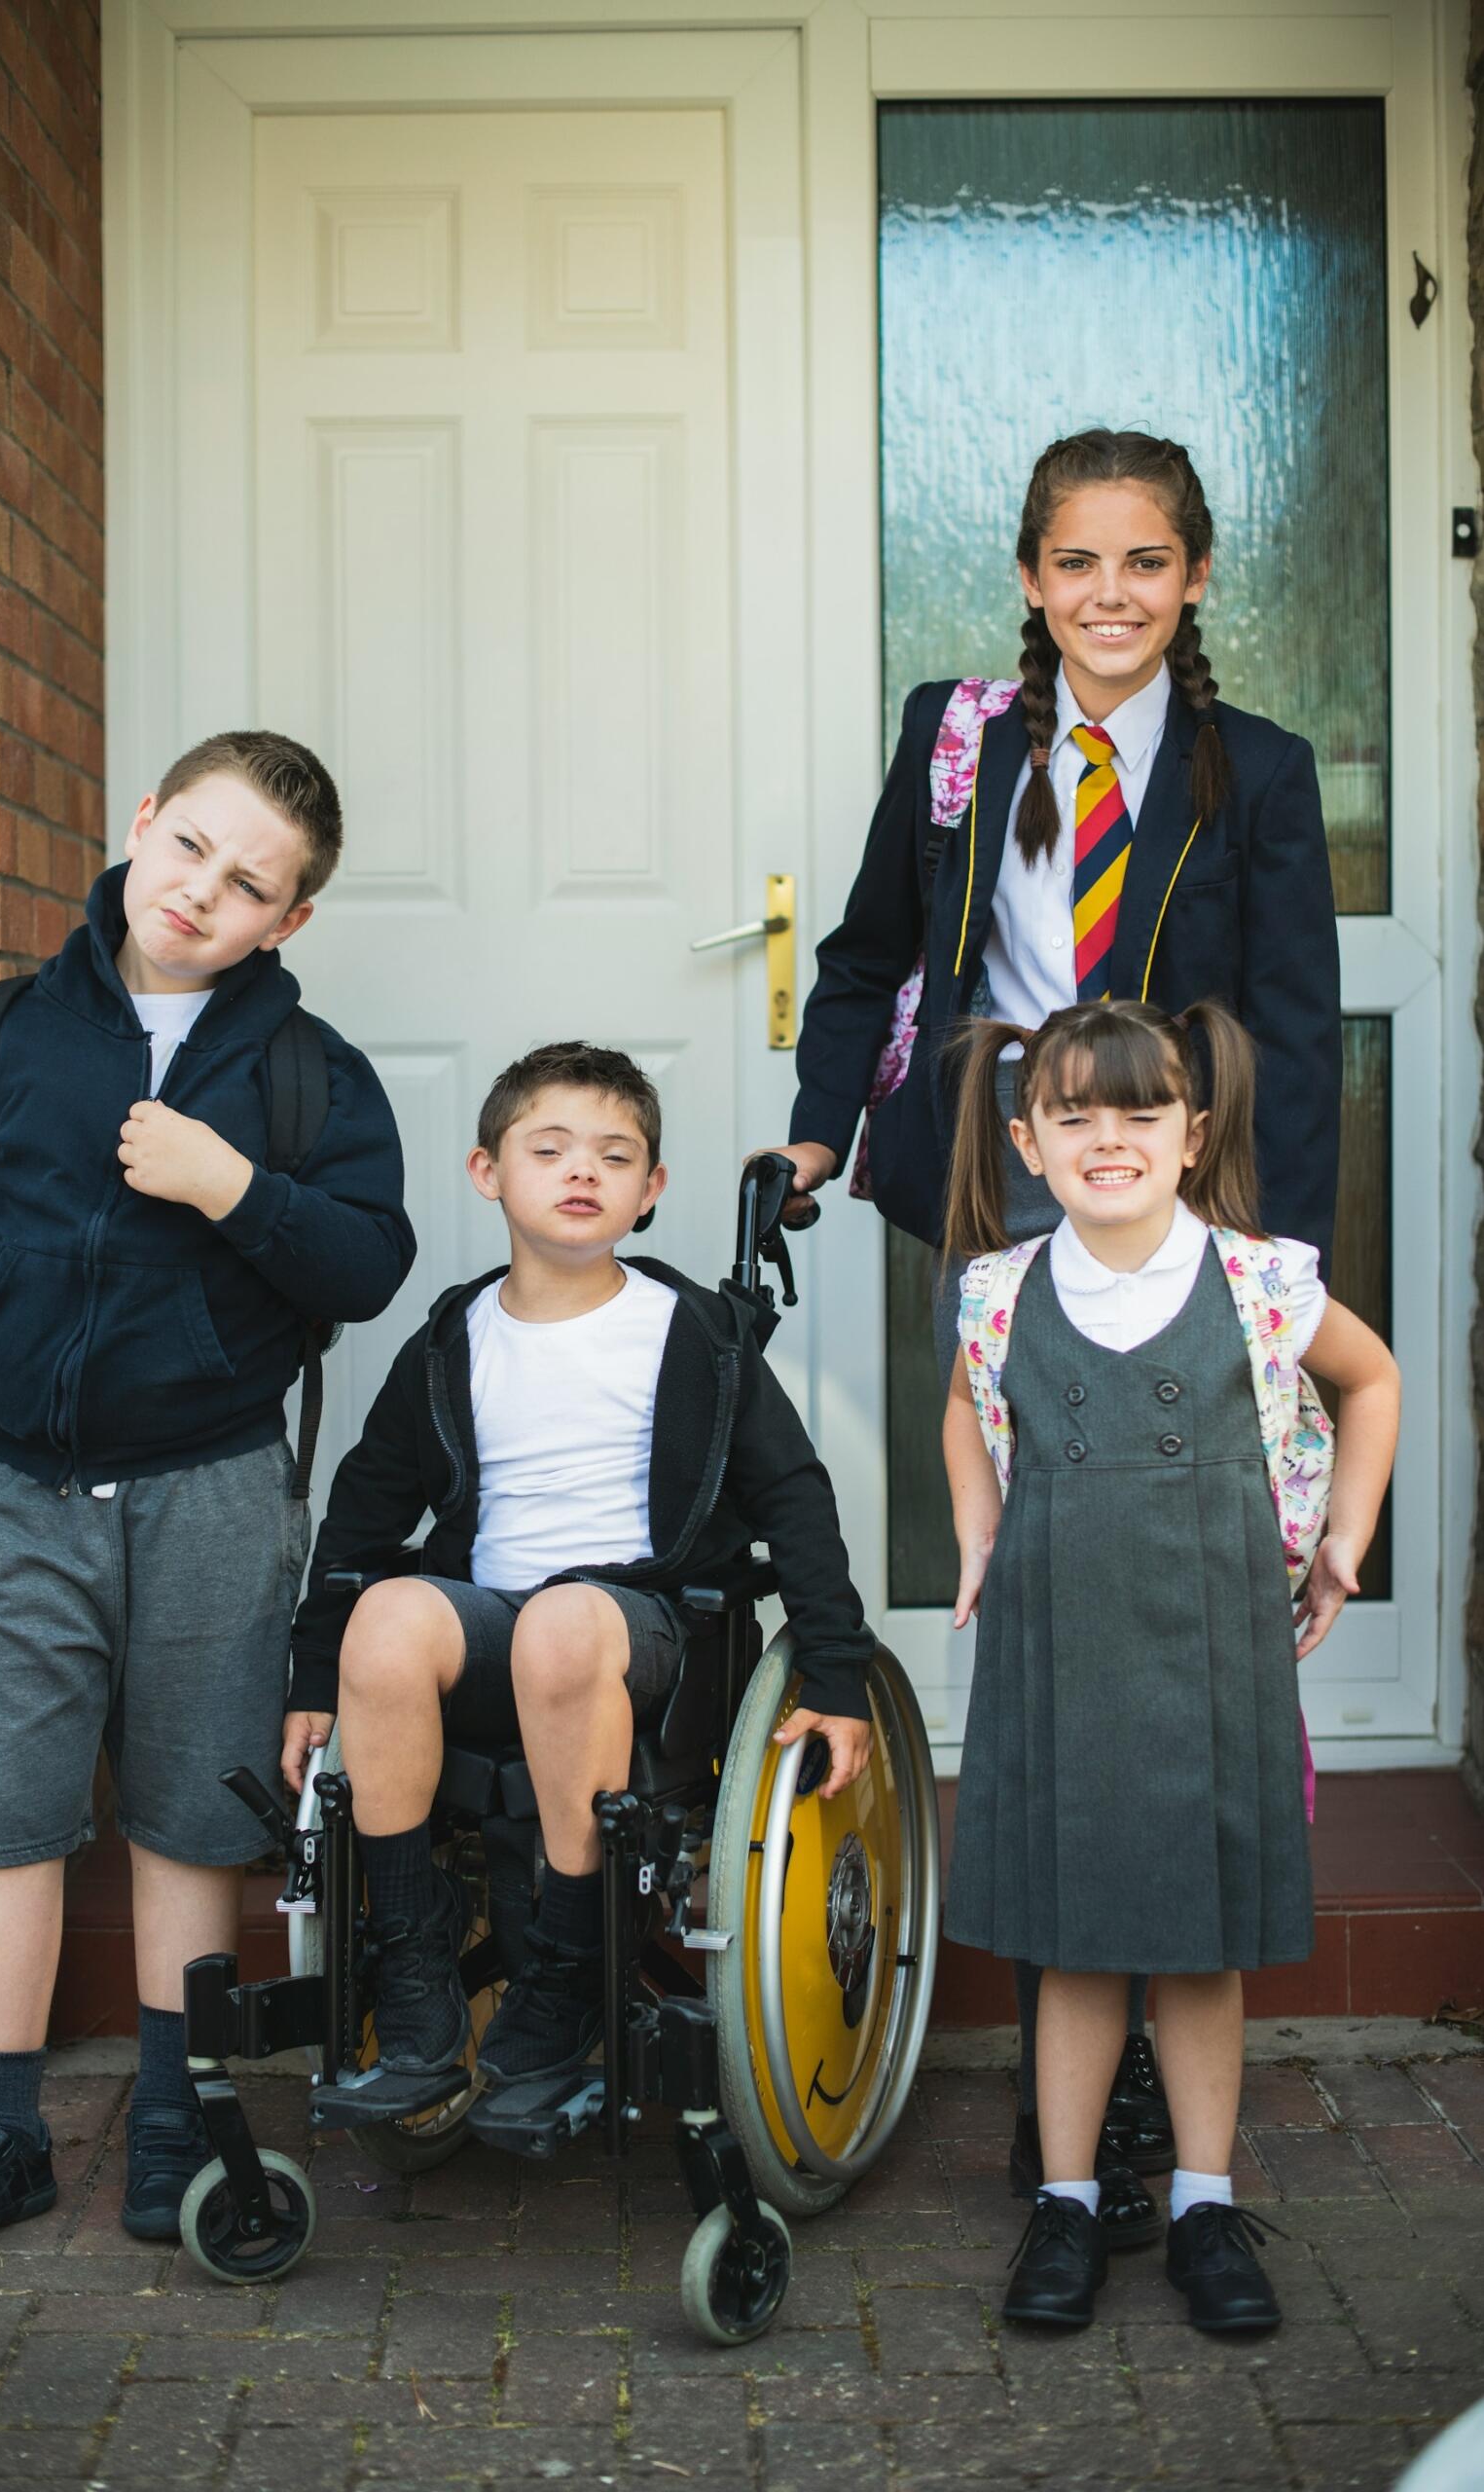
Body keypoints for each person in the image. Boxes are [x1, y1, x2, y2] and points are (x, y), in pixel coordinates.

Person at [763, 427, 1343, 2232]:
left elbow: (1300, 1014)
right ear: (1029, 579)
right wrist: (816, 1112)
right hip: (999, 1157)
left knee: (1173, 1602)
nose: (1109, 596)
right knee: (1044, 1596)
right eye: (1077, 565)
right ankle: (1070, 2109)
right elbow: (870, 947)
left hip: (1172, 1164)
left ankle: (1163, 2096)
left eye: (1145, 565)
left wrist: (1277, 1238)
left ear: (1189, 582)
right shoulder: (958, 739)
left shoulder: (1254, 767)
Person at [0, 731, 416, 2262]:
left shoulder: (307, 1074)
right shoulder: (1, 1037)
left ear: (284, 924)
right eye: (191, 851)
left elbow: (369, 1264)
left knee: (186, 1814)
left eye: (249, 888)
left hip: (211, 1492)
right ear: (144, 824)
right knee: (3, 1818)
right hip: (13, 1495)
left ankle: (178, 2116)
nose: (201, 895)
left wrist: (227, 1183)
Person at [283, 1041, 874, 2093]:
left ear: (648, 1192)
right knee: (385, 1616)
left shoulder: (694, 1330)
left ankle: (566, 1959)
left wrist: (835, 1670)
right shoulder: (452, 1337)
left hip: (638, 1623)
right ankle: (414, 1965)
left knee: (562, 1621)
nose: (580, 1171)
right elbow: (365, 1511)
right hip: (494, 1617)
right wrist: (308, 1677)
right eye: (547, 1148)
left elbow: (795, 1494)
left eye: (613, 1155)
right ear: (487, 1173)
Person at [942, 997, 1397, 2333]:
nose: (1106, 1137)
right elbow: (969, 1413)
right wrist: (973, 1527)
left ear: (1188, 1137)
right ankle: (1068, 2207)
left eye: (1138, 1112)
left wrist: (1341, 1539)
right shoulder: (997, 1290)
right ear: (1027, 1143)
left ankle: (1202, 2203)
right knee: (1078, 1948)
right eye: (1072, 1113)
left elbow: (1366, 1384)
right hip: (1055, 1640)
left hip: (1211, 1648)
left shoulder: (1261, 1282)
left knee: (1197, 1952)